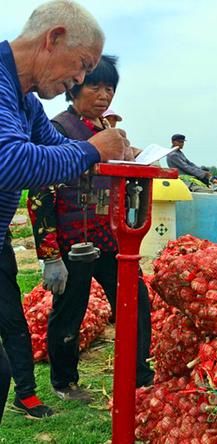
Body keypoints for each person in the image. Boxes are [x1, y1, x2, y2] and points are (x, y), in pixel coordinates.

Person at [0, 0, 129, 420]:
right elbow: (12, 162)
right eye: (82, 66)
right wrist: (92, 149)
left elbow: (56, 153)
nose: (79, 78)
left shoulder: (26, 104)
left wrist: (105, 154)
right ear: (53, 39)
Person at [27, 55, 154, 403]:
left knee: (136, 301)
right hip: (73, 242)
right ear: (76, 87)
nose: (104, 94)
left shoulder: (107, 132)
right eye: (95, 86)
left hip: (110, 238)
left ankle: (139, 373)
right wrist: (50, 255)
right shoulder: (56, 129)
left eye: (109, 87)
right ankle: (64, 382)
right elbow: (39, 194)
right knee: (70, 310)